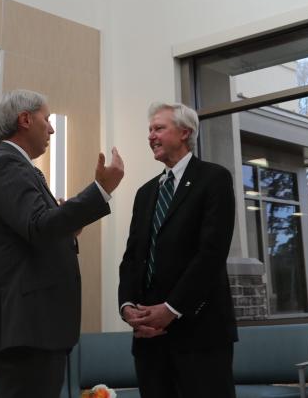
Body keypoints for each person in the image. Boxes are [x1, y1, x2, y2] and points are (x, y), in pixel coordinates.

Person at [0, 89, 125, 398]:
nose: (52, 128)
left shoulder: (18, 167)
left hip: (32, 328)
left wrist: (67, 226)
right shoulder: (6, 166)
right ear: (25, 120)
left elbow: (35, 229)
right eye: (47, 119)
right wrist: (100, 191)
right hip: (24, 329)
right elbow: (40, 226)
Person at [118, 102, 237, 398]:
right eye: (150, 130)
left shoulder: (214, 179)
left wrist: (171, 310)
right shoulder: (145, 193)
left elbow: (211, 254)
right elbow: (133, 257)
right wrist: (128, 306)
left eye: (158, 128)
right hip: (149, 338)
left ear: (185, 132)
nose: (151, 136)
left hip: (200, 335)